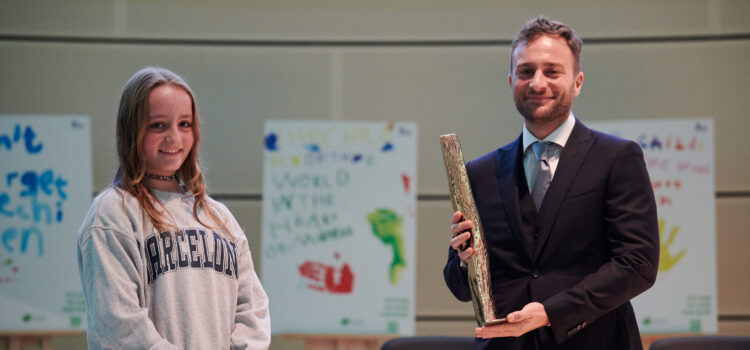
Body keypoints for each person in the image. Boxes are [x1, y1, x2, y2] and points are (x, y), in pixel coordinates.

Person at [443, 16, 659, 350]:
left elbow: (638, 265)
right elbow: (461, 287)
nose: (537, 83)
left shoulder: (618, 158)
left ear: (578, 82)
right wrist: (461, 260)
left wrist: (549, 313)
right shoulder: (479, 172)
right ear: (511, 80)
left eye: (552, 71)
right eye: (526, 71)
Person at [77, 67, 271, 349]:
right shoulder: (113, 213)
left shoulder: (219, 218)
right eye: (158, 125)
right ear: (132, 130)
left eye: (184, 124)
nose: (174, 138)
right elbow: (119, 325)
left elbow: (252, 309)